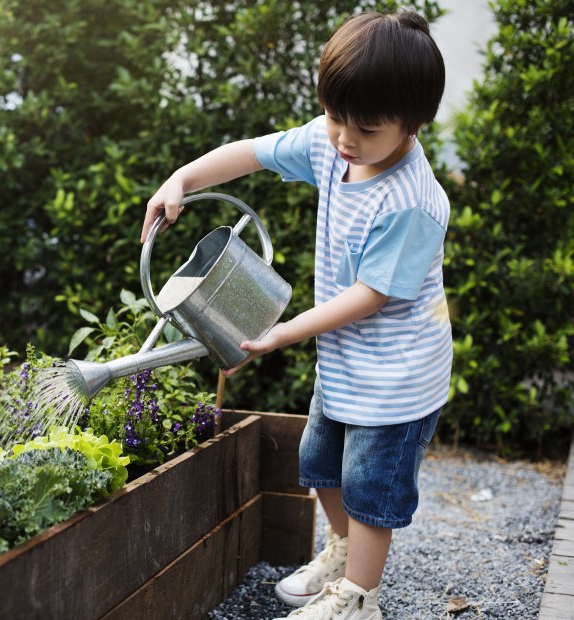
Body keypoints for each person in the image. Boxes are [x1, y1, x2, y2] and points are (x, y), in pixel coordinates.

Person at [141, 10, 450, 620]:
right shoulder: (332, 144)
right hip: (345, 360)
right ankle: (342, 553)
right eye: (335, 117)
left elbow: (373, 295)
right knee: (320, 462)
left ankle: (360, 599)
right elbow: (252, 154)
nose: (343, 138)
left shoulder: (412, 201)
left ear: (413, 124)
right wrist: (182, 178)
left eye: (363, 128)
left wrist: (285, 330)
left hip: (397, 379)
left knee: (369, 490)